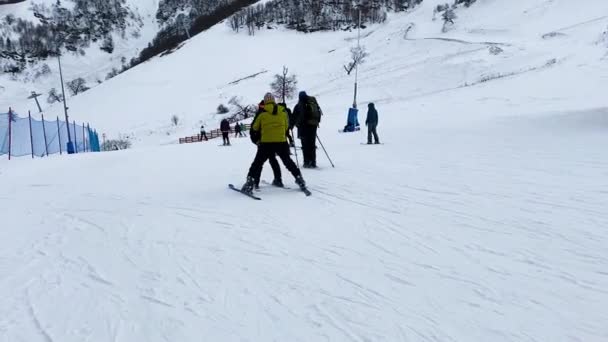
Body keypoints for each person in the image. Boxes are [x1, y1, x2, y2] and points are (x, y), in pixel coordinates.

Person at [241, 93, 306, 193]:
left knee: (257, 163)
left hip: (266, 143)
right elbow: (286, 127)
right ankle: (299, 178)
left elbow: (254, 128)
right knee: (288, 162)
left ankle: (250, 182)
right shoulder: (283, 112)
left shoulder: (262, 113)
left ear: (265, 101)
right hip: (281, 142)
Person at [250, 99, 283, 188]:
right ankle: (278, 179)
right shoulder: (272, 113)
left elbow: (253, 129)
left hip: (263, 142)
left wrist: (256, 141)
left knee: (258, 162)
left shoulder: (260, 114)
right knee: (272, 160)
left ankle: (255, 182)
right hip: (272, 141)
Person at [293, 91, 322, 168]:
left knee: (305, 145)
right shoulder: (312, 103)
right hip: (313, 126)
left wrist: (292, 125)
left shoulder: (299, 105)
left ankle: (306, 162)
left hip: (303, 128)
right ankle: (313, 162)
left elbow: (294, 117)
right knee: (312, 144)